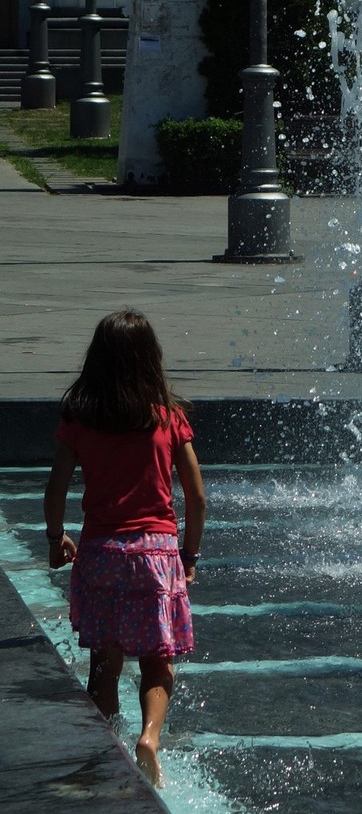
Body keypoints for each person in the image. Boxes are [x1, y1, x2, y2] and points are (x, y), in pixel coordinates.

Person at [43, 309, 207, 788]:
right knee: (158, 660)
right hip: (156, 553)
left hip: (101, 551)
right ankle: (149, 737)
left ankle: (108, 754)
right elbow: (196, 498)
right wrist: (189, 555)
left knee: (104, 665)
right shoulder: (169, 419)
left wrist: (57, 540)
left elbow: (54, 491)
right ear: (150, 359)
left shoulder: (79, 420)